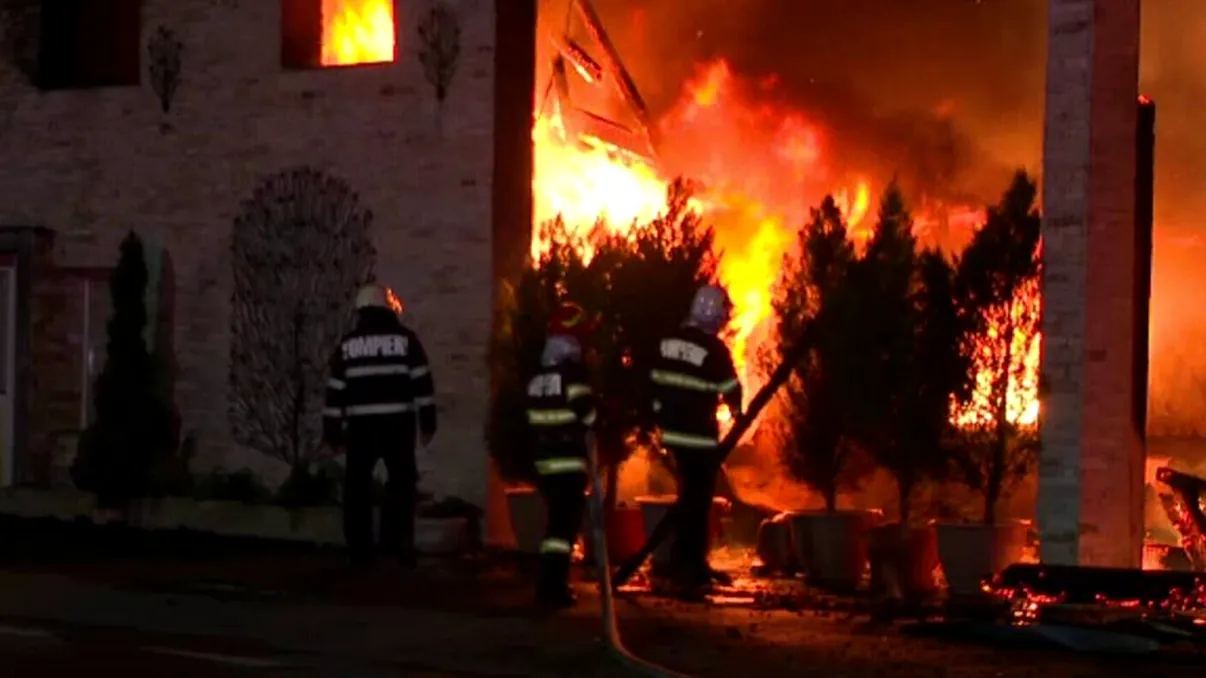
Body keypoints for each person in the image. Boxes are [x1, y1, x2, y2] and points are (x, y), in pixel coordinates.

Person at [323, 283, 437, 568]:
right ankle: (398, 545)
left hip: (361, 427)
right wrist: (428, 423)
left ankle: (360, 550)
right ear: (388, 309)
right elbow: (422, 384)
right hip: (398, 425)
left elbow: (335, 391)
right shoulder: (406, 340)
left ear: (361, 311)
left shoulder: (347, 345)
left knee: (357, 487)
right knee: (402, 483)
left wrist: (333, 432)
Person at [649, 284, 742, 598]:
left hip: (674, 434)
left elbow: (656, 384)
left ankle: (686, 563)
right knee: (697, 502)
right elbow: (731, 387)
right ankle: (685, 566)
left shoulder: (668, 343)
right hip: (699, 437)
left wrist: (660, 417)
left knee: (690, 498)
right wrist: (737, 411)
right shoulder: (713, 349)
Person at [525, 301, 598, 609]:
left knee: (555, 525)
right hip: (568, 461)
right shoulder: (573, 374)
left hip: (545, 461)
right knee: (562, 529)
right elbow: (588, 414)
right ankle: (552, 589)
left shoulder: (539, 377)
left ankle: (549, 584)